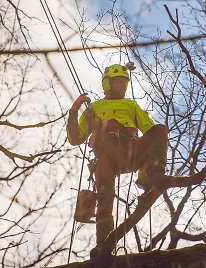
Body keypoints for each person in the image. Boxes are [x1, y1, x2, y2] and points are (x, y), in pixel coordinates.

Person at [66, 63, 168, 252]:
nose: (123, 86)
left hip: (131, 150)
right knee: (105, 198)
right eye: (120, 82)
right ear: (108, 83)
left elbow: (151, 131)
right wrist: (74, 111)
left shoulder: (131, 105)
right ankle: (103, 246)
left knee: (160, 130)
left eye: (125, 83)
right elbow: (75, 138)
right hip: (106, 156)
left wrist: (153, 156)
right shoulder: (94, 108)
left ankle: (154, 174)